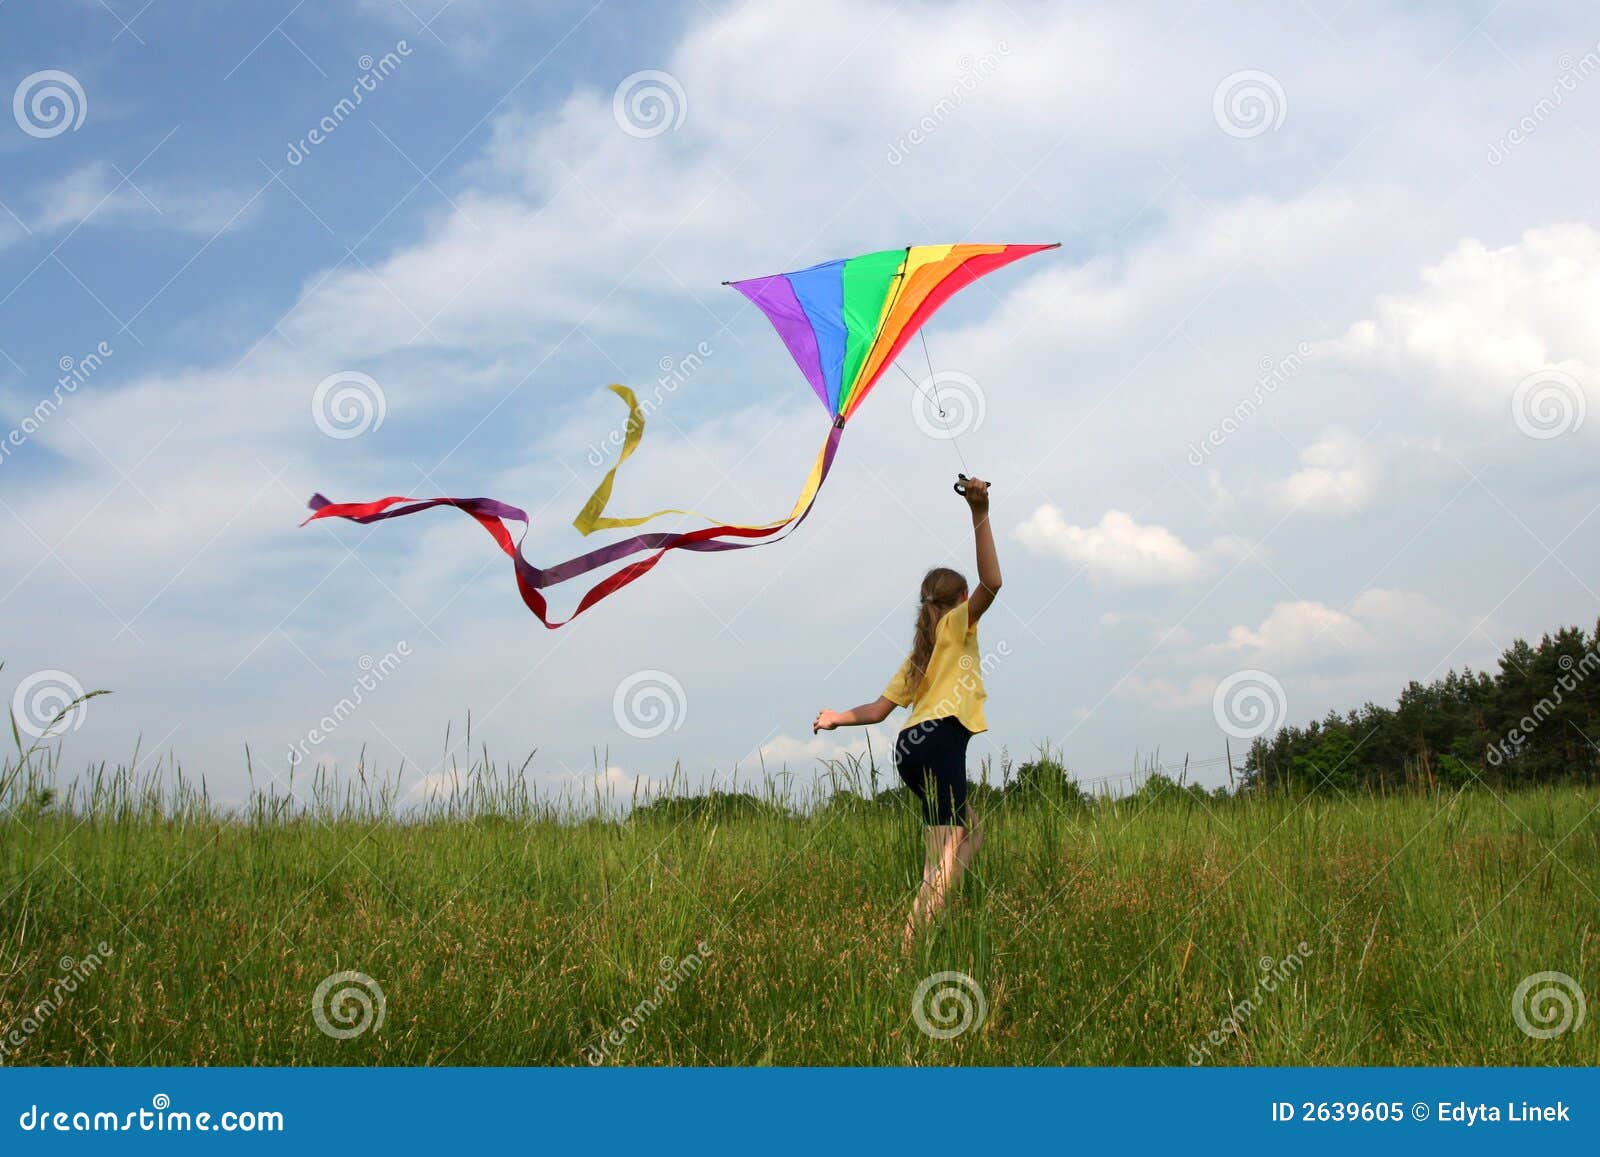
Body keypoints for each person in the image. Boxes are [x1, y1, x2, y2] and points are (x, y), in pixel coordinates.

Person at [813, 477, 999, 949]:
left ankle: (937, 911)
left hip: (911, 749)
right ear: (958, 603)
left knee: (970, 834)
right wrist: (980, 510)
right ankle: (910, 947)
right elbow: (992, 583)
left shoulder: (920, 652)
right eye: (965, 601)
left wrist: (836, 717)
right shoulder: (959, 625)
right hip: (940, 742)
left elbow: (878, 711)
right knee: (944, 857)